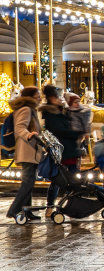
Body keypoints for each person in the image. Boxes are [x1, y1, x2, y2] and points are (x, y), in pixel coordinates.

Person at [40, 84, 83, 217]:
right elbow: (60, 131)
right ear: (51, 98)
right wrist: (76, 134)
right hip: (62, 152)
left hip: (70, 151)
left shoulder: (60, 112)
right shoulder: (51, 114)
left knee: (74, 179)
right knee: (58, 180)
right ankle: (51, 205)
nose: (60, 99)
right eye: (57, 97)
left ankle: (74, 204)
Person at [6, 87, 43, 221]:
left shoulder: (30, 109)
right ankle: (14, 210)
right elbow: (19, 128)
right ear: (30, 97)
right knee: (28, 182)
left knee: (29, 181)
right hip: (27, 149)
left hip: (30, 149)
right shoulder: (26, 109)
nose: (40, 98)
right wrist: (29, 135)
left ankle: (27, 210)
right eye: (38, 96)